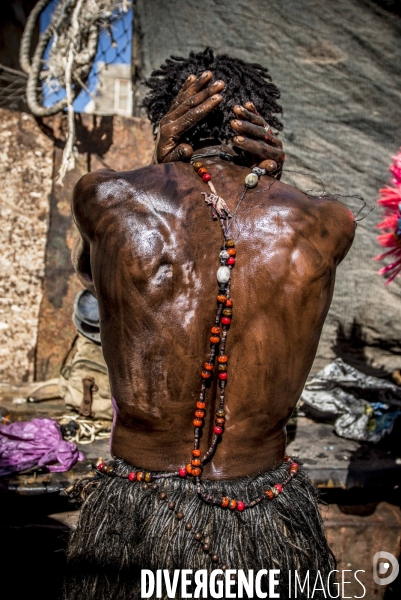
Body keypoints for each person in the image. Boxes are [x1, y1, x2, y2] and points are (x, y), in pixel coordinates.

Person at [65, 48, 355, 599]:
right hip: (264, 510)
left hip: (139, 508)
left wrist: (161, 168)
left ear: (167, 118)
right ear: (261, 125)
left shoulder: (102, 198)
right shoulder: (328, 223)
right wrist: (272, 188)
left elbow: (95, 276)